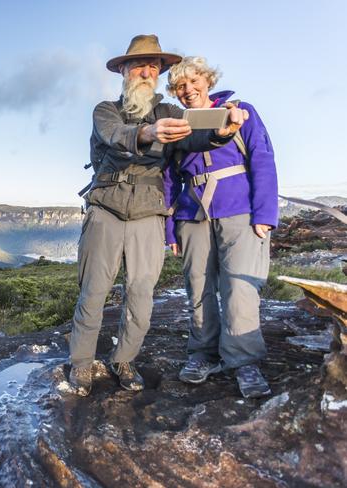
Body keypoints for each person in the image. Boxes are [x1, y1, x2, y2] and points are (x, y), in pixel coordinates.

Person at [69, 35, 249, 396]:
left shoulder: (170, 112)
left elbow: (194, 138)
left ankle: (124, 359)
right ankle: (81, 363)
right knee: (94, 291)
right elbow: (115, 135)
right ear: (123, 70)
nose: (147, 71)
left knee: (141, 295)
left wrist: (221, 133)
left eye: (154, 66)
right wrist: (147, 132)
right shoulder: (105, 110)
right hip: (106, 209)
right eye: (139, 65)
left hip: (150, 213)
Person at [163, 56, 278, 398]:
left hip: (238, 209)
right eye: (180, 86)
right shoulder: (175, 123)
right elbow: (168, 178)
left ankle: (244, 361)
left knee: (239, 287)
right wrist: (170, 229)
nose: (188, 90)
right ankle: (203, 354)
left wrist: (265, 214)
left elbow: (262, 158)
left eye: (194, 82)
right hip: (191, 215)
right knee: (197, 287)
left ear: (208, 81)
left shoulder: (241, 111)